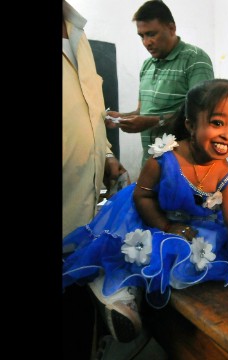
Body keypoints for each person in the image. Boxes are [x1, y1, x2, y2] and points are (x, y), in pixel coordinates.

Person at [63, 79, 228, 344]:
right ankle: (114, 288)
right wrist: (166, 226)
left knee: (206, 248)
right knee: (136, 248)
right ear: (190, 125)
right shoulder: (164, 159)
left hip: (194, 221)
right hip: (149, 215)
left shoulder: (226, 175)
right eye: (218, 123)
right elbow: (142, 196)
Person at [63, 1, 129, 358]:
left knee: (76, 327)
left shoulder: (79, 34)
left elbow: (92, 108)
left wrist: (105, 155)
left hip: (79, 224)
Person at [106, 0, 214, 167]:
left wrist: (152, 122)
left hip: (184, 166)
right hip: (150, 165)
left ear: (171, 28)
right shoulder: (147, 66)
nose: (146, 42)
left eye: (151, 34)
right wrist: (122, 117)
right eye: (141, 36)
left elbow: (200, 114)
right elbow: (142, 111)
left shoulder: (195, 59)